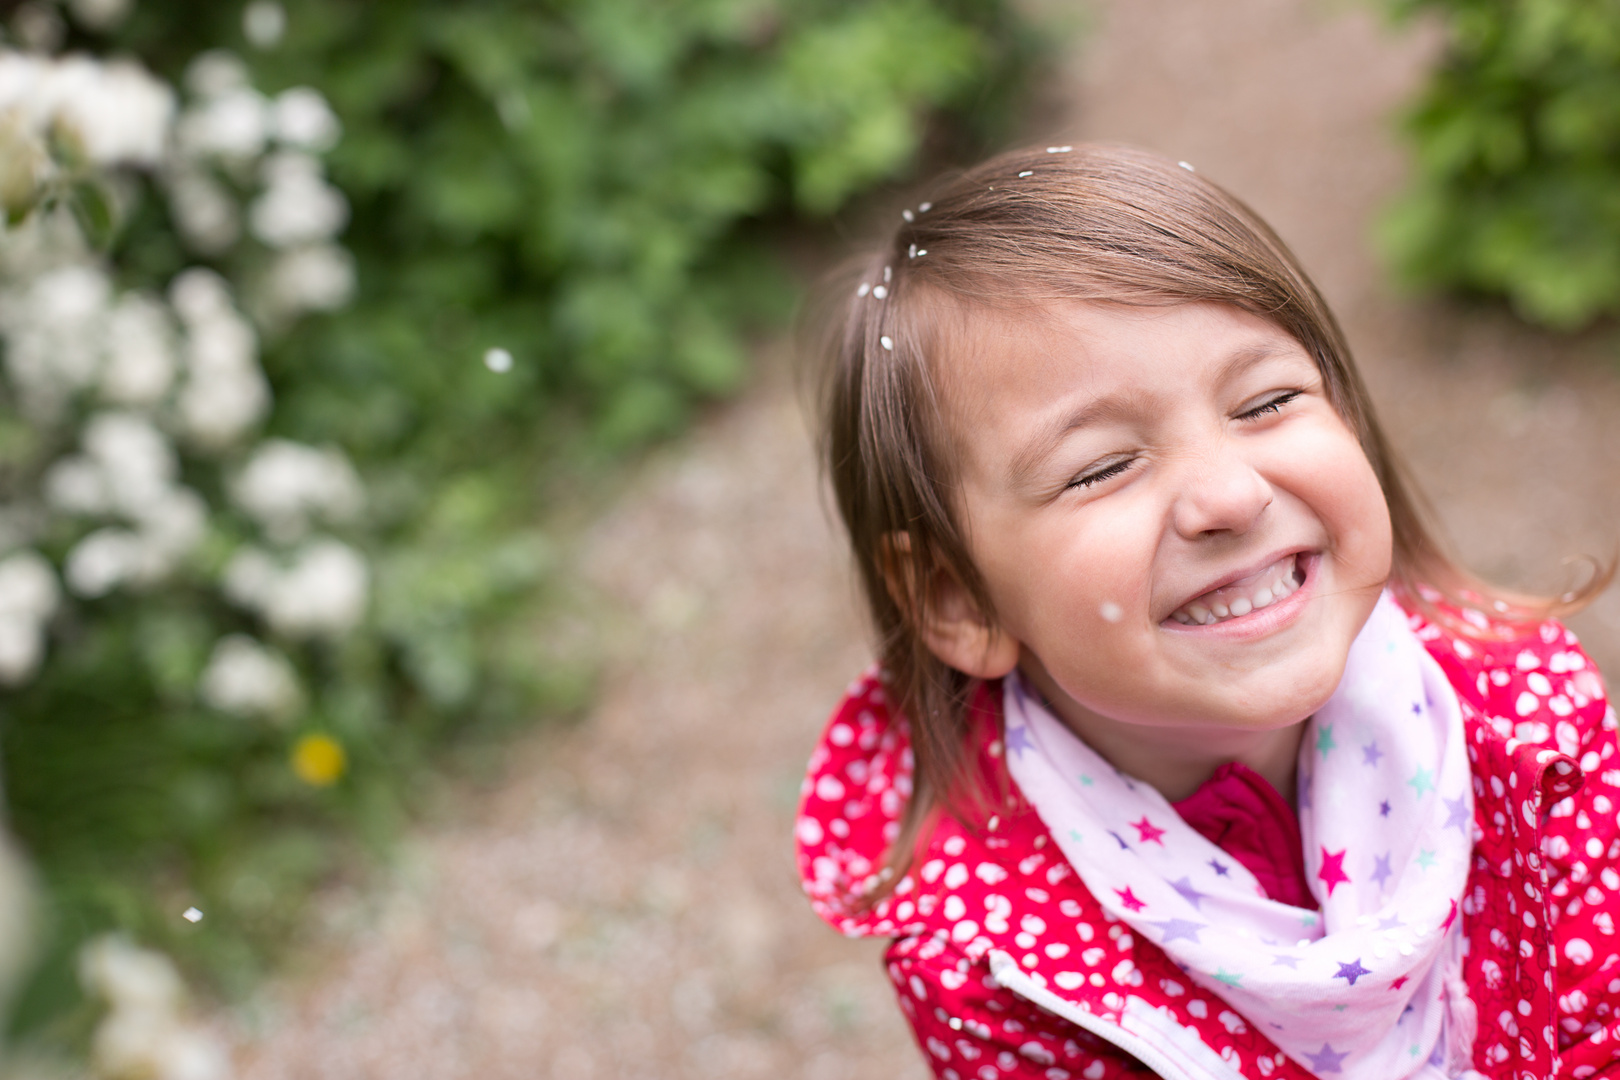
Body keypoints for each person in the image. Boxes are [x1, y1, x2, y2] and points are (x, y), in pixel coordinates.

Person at [794, 143, 1620, 1080]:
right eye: (1102, 466)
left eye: (1267, 401)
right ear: (958, 599)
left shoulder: (1526, 723)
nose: (1228, 495)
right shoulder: (987, 960)